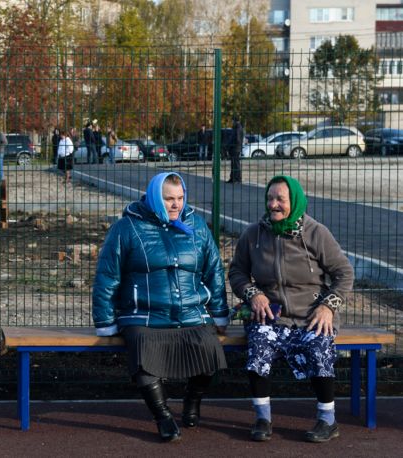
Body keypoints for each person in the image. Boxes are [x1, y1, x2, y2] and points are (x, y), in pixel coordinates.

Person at [92, 172, 229, 442]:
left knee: (210, 351)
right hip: (143, 314)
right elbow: (107, 276)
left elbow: (214, 270)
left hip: (191, 312)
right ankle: (163, 416)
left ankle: (192, 401)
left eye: (180, 198)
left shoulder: (197, 226)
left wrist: (220, 312)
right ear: (155, 198)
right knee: (143, 356)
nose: (176, 204)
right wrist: (105, 321)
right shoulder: (127, 228)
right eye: (168, 199)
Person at [228, 175, 354, 443]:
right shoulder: (253, 234)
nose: (273, 205)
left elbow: (344, 273)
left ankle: (327, 420)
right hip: (271, 315)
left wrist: (328, 307)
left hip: (311, 315)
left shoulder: (316, 233)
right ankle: (262, 418)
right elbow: (237, 272)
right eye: (269, 198)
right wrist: (253, 294)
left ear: (294, 202)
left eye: (280, 199)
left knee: (319, 346)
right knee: (259, 345)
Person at [226, 117, 244, 183]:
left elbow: (237, 139)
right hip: (234, 148)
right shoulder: (236, 128)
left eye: (232, 121)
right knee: (233, 164)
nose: (232, 123)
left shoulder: (238, 128)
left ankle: (237, 179)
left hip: (235, 148)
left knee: (236, 164)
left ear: (235, 121)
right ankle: (233, 178)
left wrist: (233, 145)